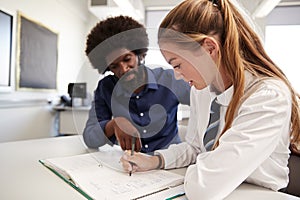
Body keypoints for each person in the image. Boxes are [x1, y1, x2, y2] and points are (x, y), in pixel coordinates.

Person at [120, 0, 300, 199]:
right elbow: (196, 148)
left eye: (177, 64)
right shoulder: (201, 90)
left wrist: (198, 171)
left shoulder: (267, 97)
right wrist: (156, 160)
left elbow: (203, 188)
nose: (177, 75)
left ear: (209, 48)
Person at [83, 16, 190, 154]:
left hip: (170, 162)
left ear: (140, 54)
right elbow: (89, 137)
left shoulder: (170, 79)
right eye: (114, 66)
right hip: (131, 164)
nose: (123, 69)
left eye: (127, 59)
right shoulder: (106, 88)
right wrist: (115, 124)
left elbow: (207, 101)